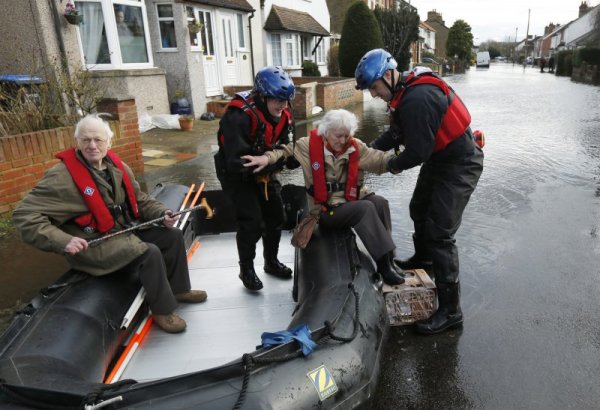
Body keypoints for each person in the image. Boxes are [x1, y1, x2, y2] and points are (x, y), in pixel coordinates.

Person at [12, 115, 207, 334]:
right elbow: (24, 215)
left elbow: (140, 199)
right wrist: (63, 241)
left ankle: (179, 289)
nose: (92, 145)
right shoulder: (61, 178)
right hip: (93, 243)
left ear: (109, 142)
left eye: (98, 140)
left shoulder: (117, 166)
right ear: (77, 142)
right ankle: (162, 311)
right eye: (85, 140)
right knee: (148, 253)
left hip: (120, 231)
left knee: (171, 236)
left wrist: (162, 213)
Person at [355, 49, 484, 334]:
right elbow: (396, 134)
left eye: (374, 87)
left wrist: (386, 165)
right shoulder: (403, 94)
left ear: (389, 76)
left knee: (440, 231)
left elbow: (417, 152)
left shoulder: (418, 99)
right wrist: (363, 152)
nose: (373, 94)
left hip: (461, 163)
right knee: (419, 208)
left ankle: (451, 311)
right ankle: (425, 261)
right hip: (441, 158)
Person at [241, 109, 405, 285]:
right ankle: (383, 266)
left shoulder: (354, 146)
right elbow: (284, 152)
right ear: (326, 132)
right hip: (327, 211)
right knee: (366, 208)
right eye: (338, 136)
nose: (342, 141)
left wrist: (397, 162)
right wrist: (266, 159)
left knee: (379, 202)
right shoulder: (307, 145)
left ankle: (389, 259)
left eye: (346, 136)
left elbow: (377, 159)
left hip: (350, 202)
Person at [214, 66, 295, 291]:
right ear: (262, 96)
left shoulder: (283, 114)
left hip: (264, 169)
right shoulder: (238, 116)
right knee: (252, 222)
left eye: (286, 100)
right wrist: (275, 161)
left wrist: (284, 158)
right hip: (235, 172)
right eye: (278, 100)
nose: (283, 106)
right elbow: (238, 161)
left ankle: (271, 262)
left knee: (276, 214)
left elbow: (283, 146)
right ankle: (246, 269)